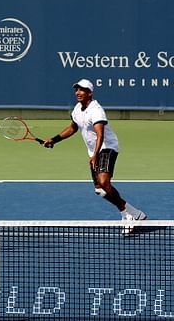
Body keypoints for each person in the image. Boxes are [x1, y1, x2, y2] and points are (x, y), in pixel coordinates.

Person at [43, 79, 147, 234]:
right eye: (76, 89)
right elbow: (73, 128)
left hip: (107, 148)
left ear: (89, 93)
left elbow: (100, 134)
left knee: (104, 182)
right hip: (94, 152)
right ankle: (133, 213)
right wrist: (54, 140)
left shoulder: (96, 110)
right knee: (100, 190)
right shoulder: (77, 109)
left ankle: (129, 214)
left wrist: (95, 155)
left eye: (82, 90)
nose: (78, 92)